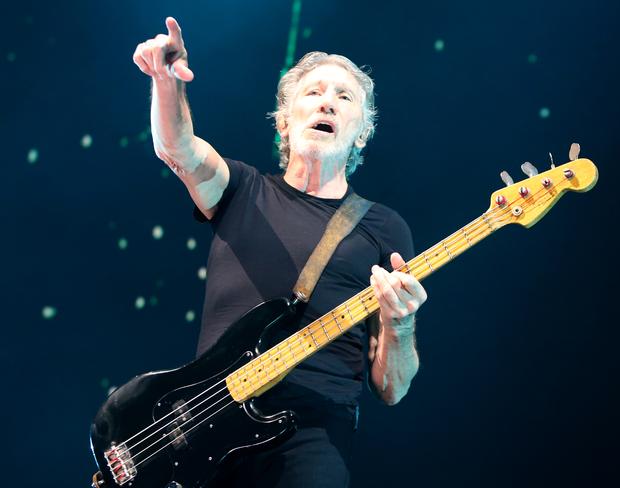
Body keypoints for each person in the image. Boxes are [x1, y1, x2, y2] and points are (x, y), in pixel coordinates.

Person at [133, 16, 428, 488]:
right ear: (285, 120)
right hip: (209, 429)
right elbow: (177, 148)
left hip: (312, 435)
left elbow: (391, 388)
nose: (327, 101)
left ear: (362, 133)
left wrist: (401, 322)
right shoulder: (243, 189)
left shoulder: (384, 228)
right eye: (313, 93)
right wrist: (165, 82)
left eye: (344, 97)